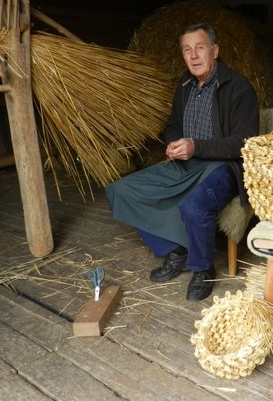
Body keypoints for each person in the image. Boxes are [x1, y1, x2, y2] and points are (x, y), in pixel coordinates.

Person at [106, 23, 259, 301]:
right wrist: (174, 143)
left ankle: (202, 269)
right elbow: (173, 125)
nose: (194, 55)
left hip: (222, 166)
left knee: (194, 206)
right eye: (187, 50)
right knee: (122, 190)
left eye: (200, 47)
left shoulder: (238, 87)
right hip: (184, 164)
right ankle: (175, 251)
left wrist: (196, 146)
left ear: (215, 51)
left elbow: (244, 141)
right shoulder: (185, 85)